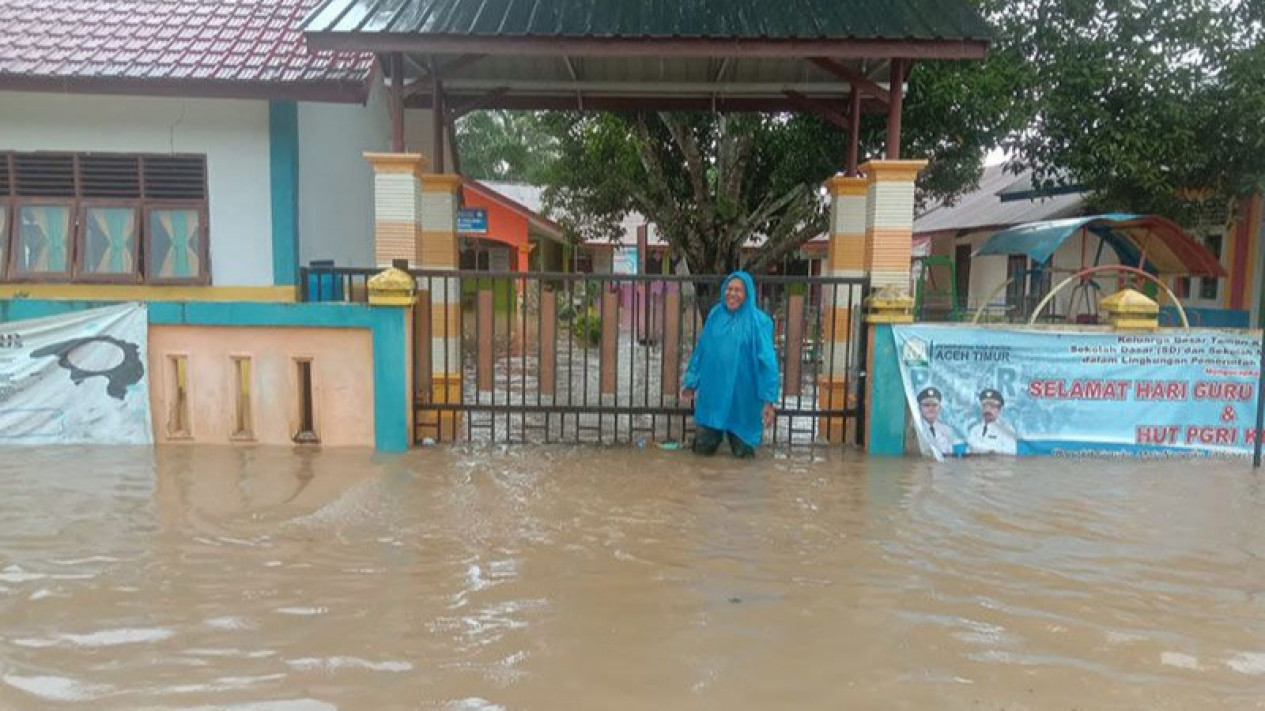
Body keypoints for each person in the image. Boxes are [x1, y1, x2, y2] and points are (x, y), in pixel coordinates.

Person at [681, 271, 780, 458]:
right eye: (729, 289)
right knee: (702, 449)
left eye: (738, 290)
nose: (732, 294)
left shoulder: (759, 322)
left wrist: (768, 401)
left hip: (743, 399)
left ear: (747, 294)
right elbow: (702, 350)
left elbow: (768, 362)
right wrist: (691, 382)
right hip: (714, 396)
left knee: (743, 455)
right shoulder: (715, 315)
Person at [967, 388, 1017, 455]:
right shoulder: (974, 430)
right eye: (985, 406)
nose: (988, 410)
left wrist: (989, 452)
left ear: (999, 409)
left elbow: (1010, 455)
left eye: (992, 406)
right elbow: (969, 452)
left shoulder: (1007, 430)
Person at [916, 386, 954, 457]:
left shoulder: (946, 430)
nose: (931, 408)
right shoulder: (916, 429)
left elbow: (949, 454)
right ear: (919, 408)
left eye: (934, 405)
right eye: (926, 405)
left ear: (940, 408)